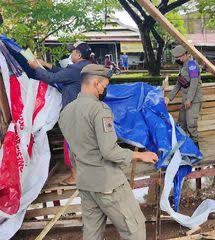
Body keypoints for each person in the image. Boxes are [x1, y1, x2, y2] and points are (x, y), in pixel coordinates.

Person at [58, 64, 158, 240]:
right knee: (134, 228)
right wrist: (141, 155)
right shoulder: (99, 110)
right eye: (105, 85)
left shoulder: (66, 112)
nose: (105, 90)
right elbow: (109, 151)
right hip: (107, 184)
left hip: (85, 183)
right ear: (96, 83)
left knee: (92, 233)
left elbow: (73, 151)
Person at [28, 41, 92, 185]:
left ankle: (75, 176)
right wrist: (46, 64)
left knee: (72, 144)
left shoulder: (76, 69)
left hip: (75, 112)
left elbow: (52, 78)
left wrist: (36, 68)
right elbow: (62, 73)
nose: (71, 54)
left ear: (79, 54)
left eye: (73, 52)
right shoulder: (86, 67)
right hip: (85, 109)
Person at [165, 45, 202, 147]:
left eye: (179, 57)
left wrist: (189, 100)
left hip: (193, 99)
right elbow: (178, 84)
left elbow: (194, 84)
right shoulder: (183, 66)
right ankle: (185, 146)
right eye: (176, 58)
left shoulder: (192, 65)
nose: (178, 59)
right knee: (182, 123)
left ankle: (195, 148)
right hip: (185, 99)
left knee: (191, 123)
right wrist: (169, 97)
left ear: (186, 55)